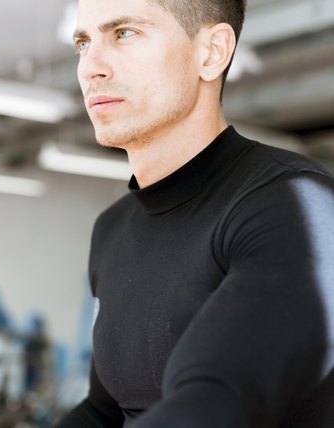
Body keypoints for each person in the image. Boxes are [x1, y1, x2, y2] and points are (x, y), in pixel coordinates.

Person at [55, 0, 334, 427]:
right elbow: (103, 410)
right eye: (83, 42)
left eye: (124, 33)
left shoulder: (292, 203)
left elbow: (213, 407)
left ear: (212, 53)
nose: (90, 67)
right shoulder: (112, 229)